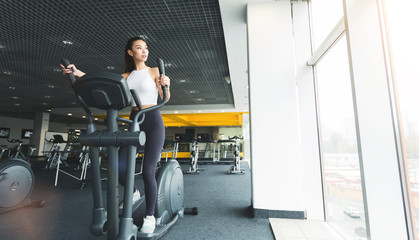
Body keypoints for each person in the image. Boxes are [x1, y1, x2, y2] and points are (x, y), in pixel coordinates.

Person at [61, 36, 171, 234]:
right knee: (118, 166)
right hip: (134, 120)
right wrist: (76, 73)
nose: (144, 51)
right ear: (130, 52)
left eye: (145, 47)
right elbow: (103, 83)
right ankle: (134, 193)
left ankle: (150, 216)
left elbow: (164, 98)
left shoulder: (154, 71)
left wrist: (166, 84)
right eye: (139, 48)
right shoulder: (126, 76)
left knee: (147, 171)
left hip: (153, 120)